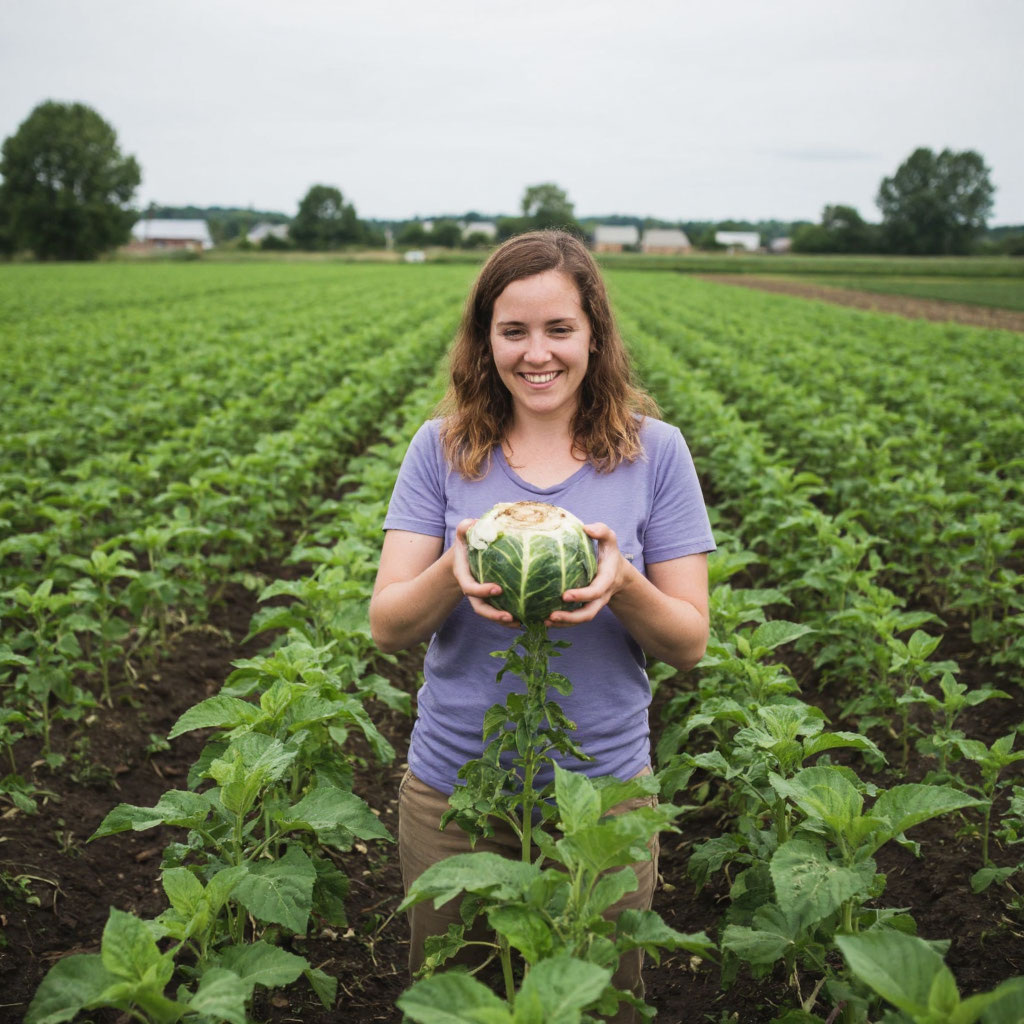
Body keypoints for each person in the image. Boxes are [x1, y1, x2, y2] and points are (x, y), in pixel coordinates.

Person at [369, 230, 715, 1021]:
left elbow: (688, 640)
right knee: (457, 1001)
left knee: (597, 1006)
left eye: (559, 329)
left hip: (603, 803)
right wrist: (448, 577)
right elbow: (387, 624)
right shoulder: (442, 449)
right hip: (455, 795)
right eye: (513, 331)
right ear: (484, 339)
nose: (537, 354)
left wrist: (623, 582)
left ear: (594, 334)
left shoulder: (656, 455)